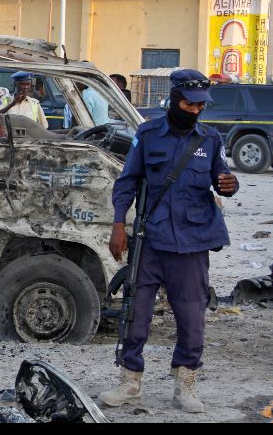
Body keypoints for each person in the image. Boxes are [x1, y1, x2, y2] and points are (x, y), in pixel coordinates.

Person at [101, 69, 239, 413]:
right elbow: (127, 181)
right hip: (151, 240)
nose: (195, 110)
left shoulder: (209, 139)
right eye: (189, 104)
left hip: (192, 244)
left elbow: (221, 177)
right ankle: (130, 383)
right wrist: (119, 225)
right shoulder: (148, 135)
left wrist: (230, 185)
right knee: (136, 315)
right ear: (174, 100)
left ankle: (185, 384)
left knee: (192, 318)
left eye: (200, 105)